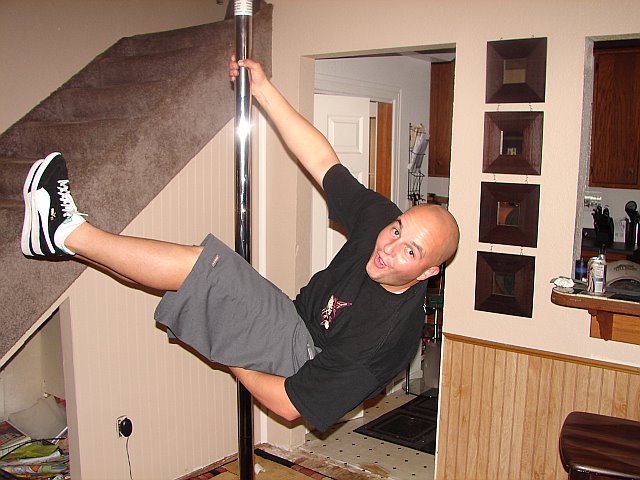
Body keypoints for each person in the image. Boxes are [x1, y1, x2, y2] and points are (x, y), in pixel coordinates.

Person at [20, 56, 460, 432]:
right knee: (186, 281)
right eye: (398, 229)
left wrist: (228, 344)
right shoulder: (380, 222)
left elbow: (291, 406)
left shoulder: (388, 338)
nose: (389, 246)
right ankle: (64, 243)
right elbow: (323, 161)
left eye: (410, 251)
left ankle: (65, 231)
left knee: (206, 269)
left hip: (308, 361)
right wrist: (263, 89)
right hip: (294, 319)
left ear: (428, 272)